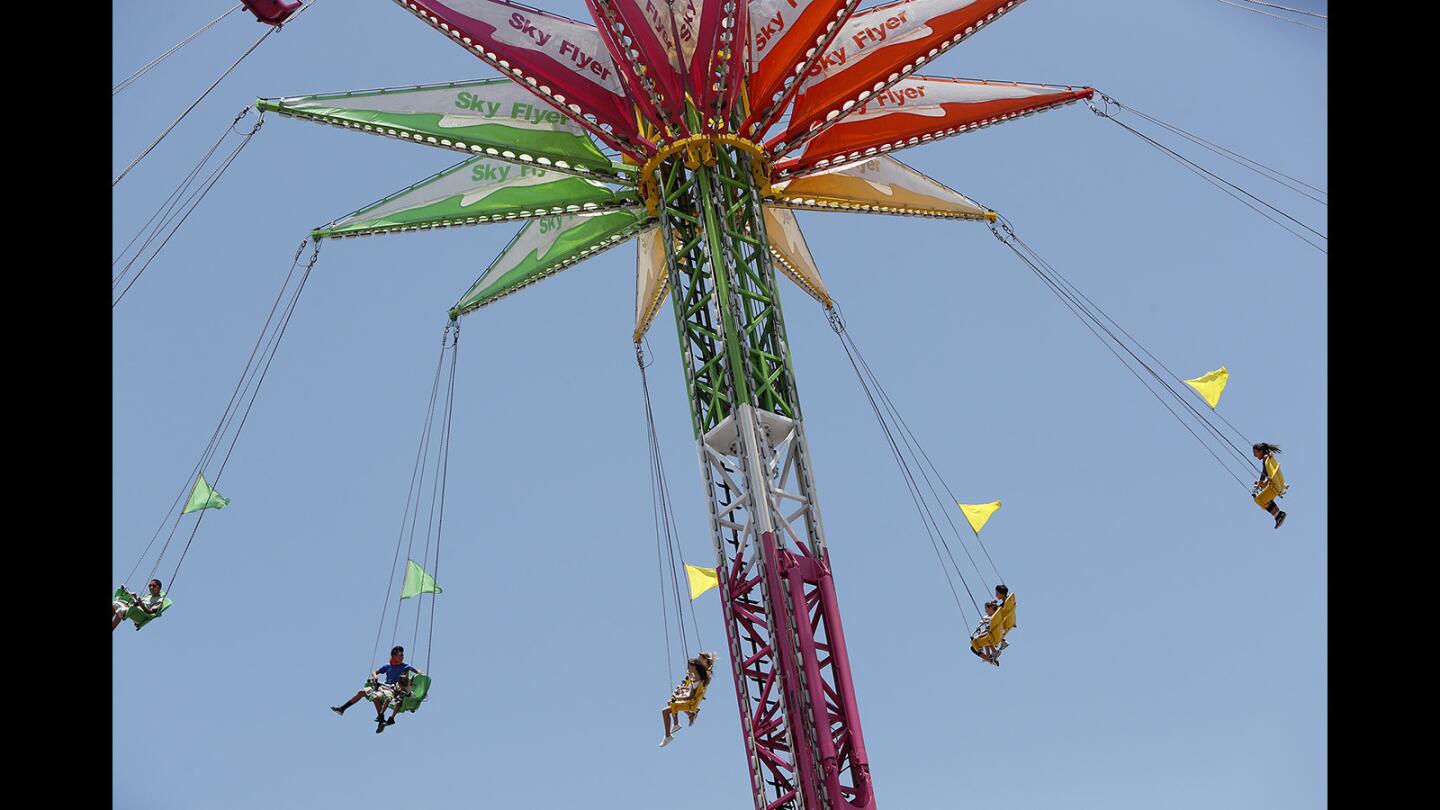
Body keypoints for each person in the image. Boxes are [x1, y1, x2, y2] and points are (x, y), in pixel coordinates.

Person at [331, 646, 426, 733]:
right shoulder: (387, 666)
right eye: (400, 655)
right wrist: (375, 676)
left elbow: (415, 670)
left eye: (403, 655)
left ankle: (381, 720)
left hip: (392, 690)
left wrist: (419, 672)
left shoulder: (405, 666)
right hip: (382, 687)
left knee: (376, 697)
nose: (402, 657)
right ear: (394, 656)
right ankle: (342, 708)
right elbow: (375, 672)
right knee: (362, 692)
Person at [660, 652, 716, 747]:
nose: (688, 669)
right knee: (671, 702)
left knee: (666, 710)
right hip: (691, 698)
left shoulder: (700, 676)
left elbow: (691, 695)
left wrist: (679, 697)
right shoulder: (698, 676)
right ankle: (681, 721)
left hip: (691, 702)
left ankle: (668, 735)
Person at [1251, 442, 1288, 528]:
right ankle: (1279, 514)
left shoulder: (1265, 459)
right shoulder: (1269, 457)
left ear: (1260, 451)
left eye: (1255, 453)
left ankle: (1278, 516)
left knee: (1259, 499)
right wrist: (1262, 484)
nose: (1254, 456)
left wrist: (1261, 481)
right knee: (1265, 498)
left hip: (1274, 486)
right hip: (1278, 485)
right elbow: (1269, 475)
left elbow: (1264, 472)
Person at [970, 601, 1001, 666]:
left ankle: (990, 660)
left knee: (973, 648)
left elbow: (988, 632)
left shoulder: (993, 618)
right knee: (984, 637)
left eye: (986, 610)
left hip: (991, 636)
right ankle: (989, 654)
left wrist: (977, 637)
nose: (986, 611)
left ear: (991, 608)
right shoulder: (997, 615)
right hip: (995, 634)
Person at [994, 584, 1013, 652]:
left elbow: (998, 612)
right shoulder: (1008, 601)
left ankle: (994, 651)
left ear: (1002, 594)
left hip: (1003, 624)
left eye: (997, 593)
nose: (996, 595)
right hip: (1009, 621)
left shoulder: (1003, 605)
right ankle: (1002, 641)